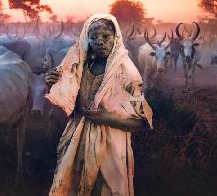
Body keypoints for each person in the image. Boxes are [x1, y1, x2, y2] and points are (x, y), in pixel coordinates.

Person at [45, 14, 153, 196]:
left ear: (116, 37)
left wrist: (107, 118)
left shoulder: (128, 74)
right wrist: (54, 83)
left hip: (110, 149)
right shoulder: (78, 68)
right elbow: (70, 105)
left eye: (105, 36)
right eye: (93, 37)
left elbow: (140, 122)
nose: (99, 42)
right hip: (76, 143)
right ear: (86, 39)